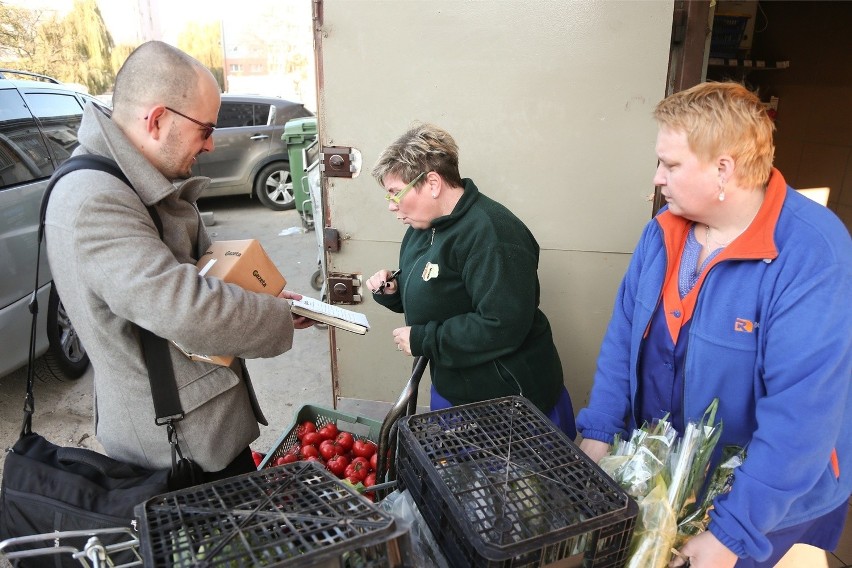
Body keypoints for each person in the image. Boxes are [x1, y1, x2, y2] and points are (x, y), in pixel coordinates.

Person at [576, 82, 851, 567]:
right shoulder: (662, 231)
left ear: (724, 168)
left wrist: (733, 531)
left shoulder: (812, 253)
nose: (658, 178)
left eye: (672, 165)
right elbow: (622, 338)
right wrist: (599, 428)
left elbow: (801, 414)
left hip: (766, 498)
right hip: (674, 475)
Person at [44, 41, 313, 483]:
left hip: (194, 426)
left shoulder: (123, 180)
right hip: (178, 449)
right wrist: (274, 315)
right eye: (205, 129)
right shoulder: (97, 200)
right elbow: (184, 307)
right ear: (156, 120)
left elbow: (190, 272)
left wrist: (263, 294)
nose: (210, 145)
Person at [366, 122, 576, 439]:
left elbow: (502, 324)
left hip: (508, 403)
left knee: (517, 486)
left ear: (433, 183)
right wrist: (394, 289)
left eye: (396, 193)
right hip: (455, 387)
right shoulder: (424, 227)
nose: (392, 205)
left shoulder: (493, 236)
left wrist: (425, 340)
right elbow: (438, 288)